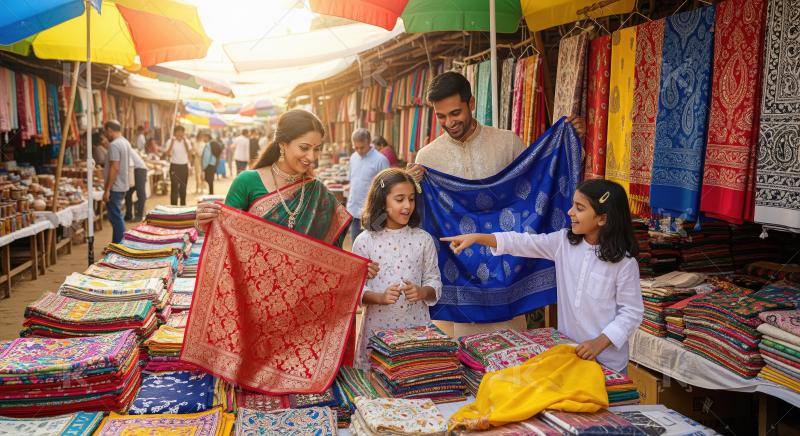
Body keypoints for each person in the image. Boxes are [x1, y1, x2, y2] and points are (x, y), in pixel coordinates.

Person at [405, 71, 585, 338]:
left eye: (455, 113)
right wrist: (410, 185)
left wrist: (572, 142)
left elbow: (540, 178)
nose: (449, 122)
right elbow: (415, 216)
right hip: (459, 274)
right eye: (441, 116)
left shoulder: (506, 142)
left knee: (511, 354)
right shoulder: (428, 156)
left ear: (472, 103)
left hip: (509, 269)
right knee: (464, 355)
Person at [196, 109, 379, 365]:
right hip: (255, 304)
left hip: (300, 311)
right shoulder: (247, 182)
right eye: (304, 148)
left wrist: (356, 269)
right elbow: (226, 239)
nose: (311, 157)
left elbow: (330, 255)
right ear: (282, 144)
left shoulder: (318, 193)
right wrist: (206, 225)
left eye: (317, 150)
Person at [441, 179, 644, 372]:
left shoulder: (624, 264)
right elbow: (523, 243)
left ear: (602, 218)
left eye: (580, 208)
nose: (570, 212)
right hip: (569, 354)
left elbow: (631, 313)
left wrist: (599, 343)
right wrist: (477, 237)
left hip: (608, 363)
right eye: (573, 205)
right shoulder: (564, 243)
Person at [352, 168, 442, 369]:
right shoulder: (365, 241)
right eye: (399, 199)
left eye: (411, 199)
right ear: (382, 201)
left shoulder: (423, 239)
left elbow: (434, 280)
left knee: (414, 380)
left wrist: (421, 292)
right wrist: (380, 297)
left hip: (416, 328)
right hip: (378, 331)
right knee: (378, 389)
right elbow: (355, 289)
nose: (407, 205)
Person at [347, 128, 389, 241]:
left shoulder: (381, 160)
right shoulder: (353, 157)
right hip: (355, 212)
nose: (359, 151)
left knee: (374, 249)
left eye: (362, 147)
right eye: (356, 148)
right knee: (356, 250)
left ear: (369, 142)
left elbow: (387, 188)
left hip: (373, 213)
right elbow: (353, 182)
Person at [102, 120, 131, 244]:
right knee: (117, 216)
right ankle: (116, 244)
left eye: (106, 132)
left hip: (115, 186)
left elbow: (115, 167)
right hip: (122, 184)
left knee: (116, 217)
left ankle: (120, 245)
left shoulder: (114, 145)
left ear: (110, 130)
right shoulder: (125, 142)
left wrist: (107, 189)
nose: (105, 135)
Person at [165, 125, 193, 206]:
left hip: (184, 167)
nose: (180, 136)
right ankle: (173, 207)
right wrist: (172, 143)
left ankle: (183, 205)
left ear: (184, 134)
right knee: (174, 187)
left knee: (183, 188)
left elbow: (190, 154)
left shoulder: (187, 141)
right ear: (175, 133)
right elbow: (167, 154)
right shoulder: (170, 141)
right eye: (178, 135)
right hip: (174, 166)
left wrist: (185, 142)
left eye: (181, 135)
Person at [125, 145, 148, 222]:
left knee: (140, 193)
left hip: (140, 170)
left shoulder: (127, 150)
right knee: (128, 193)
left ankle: (139, 215)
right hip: (135, 170)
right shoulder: (126, 149)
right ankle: (128, 215)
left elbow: (130, 165)